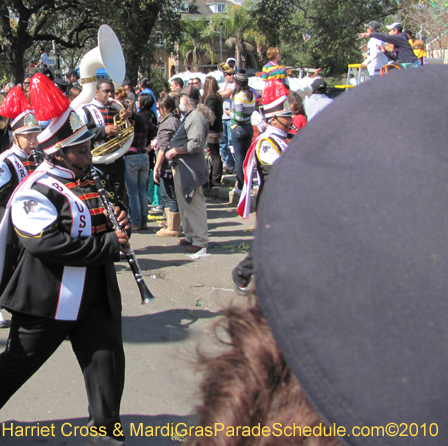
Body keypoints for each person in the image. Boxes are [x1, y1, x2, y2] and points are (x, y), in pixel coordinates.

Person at [190, 68, 448, 442]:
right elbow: (278, 168)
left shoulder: (283, 136)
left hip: (287, 204)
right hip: (277, 204)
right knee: (267, 250)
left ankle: (251, 271)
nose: (287, 118)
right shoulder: (268, 140)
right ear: (274, 115)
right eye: (282, 115)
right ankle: (249, 273)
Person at [0, 73, 129, 444]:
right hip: (48, 298)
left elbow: (107, 212)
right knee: (21, 362)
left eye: (88, 148)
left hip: (96, 294)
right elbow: (46, 244)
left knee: (106, 362)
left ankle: (106, 429)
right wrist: (108, 246)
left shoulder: (89, 176)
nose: (89, 155)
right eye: (81, 150)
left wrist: (120, 221)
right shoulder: (35, 190)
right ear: (58, 152)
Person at [0, 86, 41, 329]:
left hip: (35, 222)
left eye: (35, 136)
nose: (33, 141)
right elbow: (2, 197)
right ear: (16, 137)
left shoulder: (38, 158)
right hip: (10, 224)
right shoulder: (5, 161)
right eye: (28, 137)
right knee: (4, 265)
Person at [166, 86, 212, 259]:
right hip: (184, 167)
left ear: (185, 100)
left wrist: (175, 150)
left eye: (180, 99)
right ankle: (191, 236)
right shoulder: (191, 116)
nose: (179, 102)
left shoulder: (197, 118)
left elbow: (195, 145)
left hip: (191, 168)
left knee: (194, 204)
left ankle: (200, 241)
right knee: (185, 203)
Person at [237, 80, 293, 219]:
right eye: (286, 117)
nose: (290, 120)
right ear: (273, 119)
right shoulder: (266, 141)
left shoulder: (284, 137)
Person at [78, 79, 127, 207]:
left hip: (116, 163)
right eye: (106, 91)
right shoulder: (85, 110)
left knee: (119, 199)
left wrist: (130, 117)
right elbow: (79, 135)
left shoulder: (118, 111)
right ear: (97, 92)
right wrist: (103, 131)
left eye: (112, 91)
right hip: (96, 164)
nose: (110, 95)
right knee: (101, 201)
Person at [123, 95, 157, 231]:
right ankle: (143, 220)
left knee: (132, 192)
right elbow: (156, 131)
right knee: (142, 190)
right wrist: (149, 147)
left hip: (130, 156)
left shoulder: (125, 122)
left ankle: (136, 221)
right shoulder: (143, 120)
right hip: (143, 155)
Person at [153, 95, 181, 238]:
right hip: (174, 164)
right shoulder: (175, 121)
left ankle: (173, 227)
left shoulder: (167, 123)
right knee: (170, 194)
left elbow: (163, 148)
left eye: (158, 108)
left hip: (168, 165)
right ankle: (171, 224)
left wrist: (156, 167)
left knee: (169, 194)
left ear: (164, 108)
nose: (158, 111)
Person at [230, 71, 255, 193]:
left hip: (238, 128)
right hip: (248, 127)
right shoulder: (251, 95)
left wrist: (230, 113)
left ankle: (240, 185)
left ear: (237, 83)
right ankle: (248, 183)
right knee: (246, 157)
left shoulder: (239, 97)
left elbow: (239, 117)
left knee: (239, 157)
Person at [201, 77, 223, 187]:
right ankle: (214, 178)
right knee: (215, 154)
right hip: (218, 128)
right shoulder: (218, 97)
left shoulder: (210, 98)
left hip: (212, 130)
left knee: (214, 154)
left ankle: (215, 179)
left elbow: (210, 115)